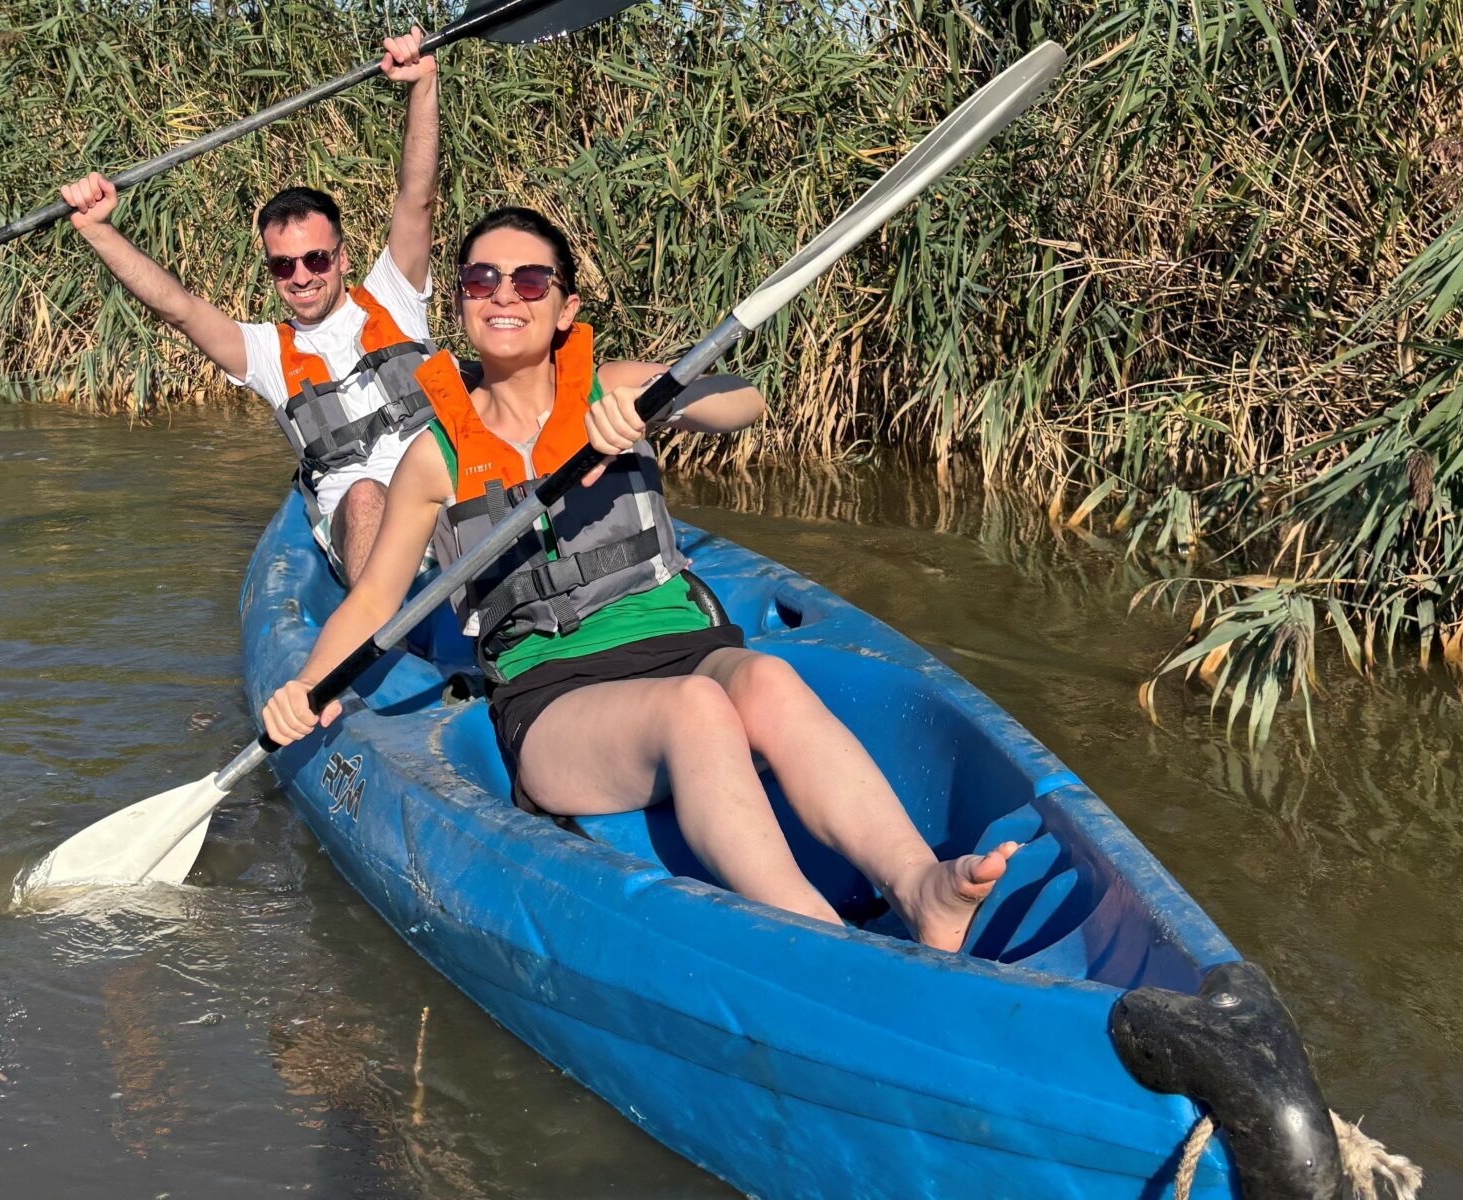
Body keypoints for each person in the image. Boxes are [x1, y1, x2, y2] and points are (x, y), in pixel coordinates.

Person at [259, 207, 1020, 953]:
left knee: (769, 682)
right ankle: (815, 933)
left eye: (528, 280)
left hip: (683, 641)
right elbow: (376, 599)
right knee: (696, 709)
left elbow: (744, 401)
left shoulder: (614, 387)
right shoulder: (435, 456)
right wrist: (307, 688)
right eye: (480, 278)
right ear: (459, 300)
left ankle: (919, 886)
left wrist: (657, 405)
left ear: (565, 308)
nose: (501, 294)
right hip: (553, 691)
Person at [60, 25, 441, 582]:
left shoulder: (393, 296)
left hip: (446, 496)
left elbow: (418, 197)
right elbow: (179, 308)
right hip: (371, 526)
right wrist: (98, 231)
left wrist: (423, 84)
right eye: (282, 265)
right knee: (361, 496)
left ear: (341, 257)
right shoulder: (265, 351)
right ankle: (380, 646)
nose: (302, 277)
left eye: (315, 259)